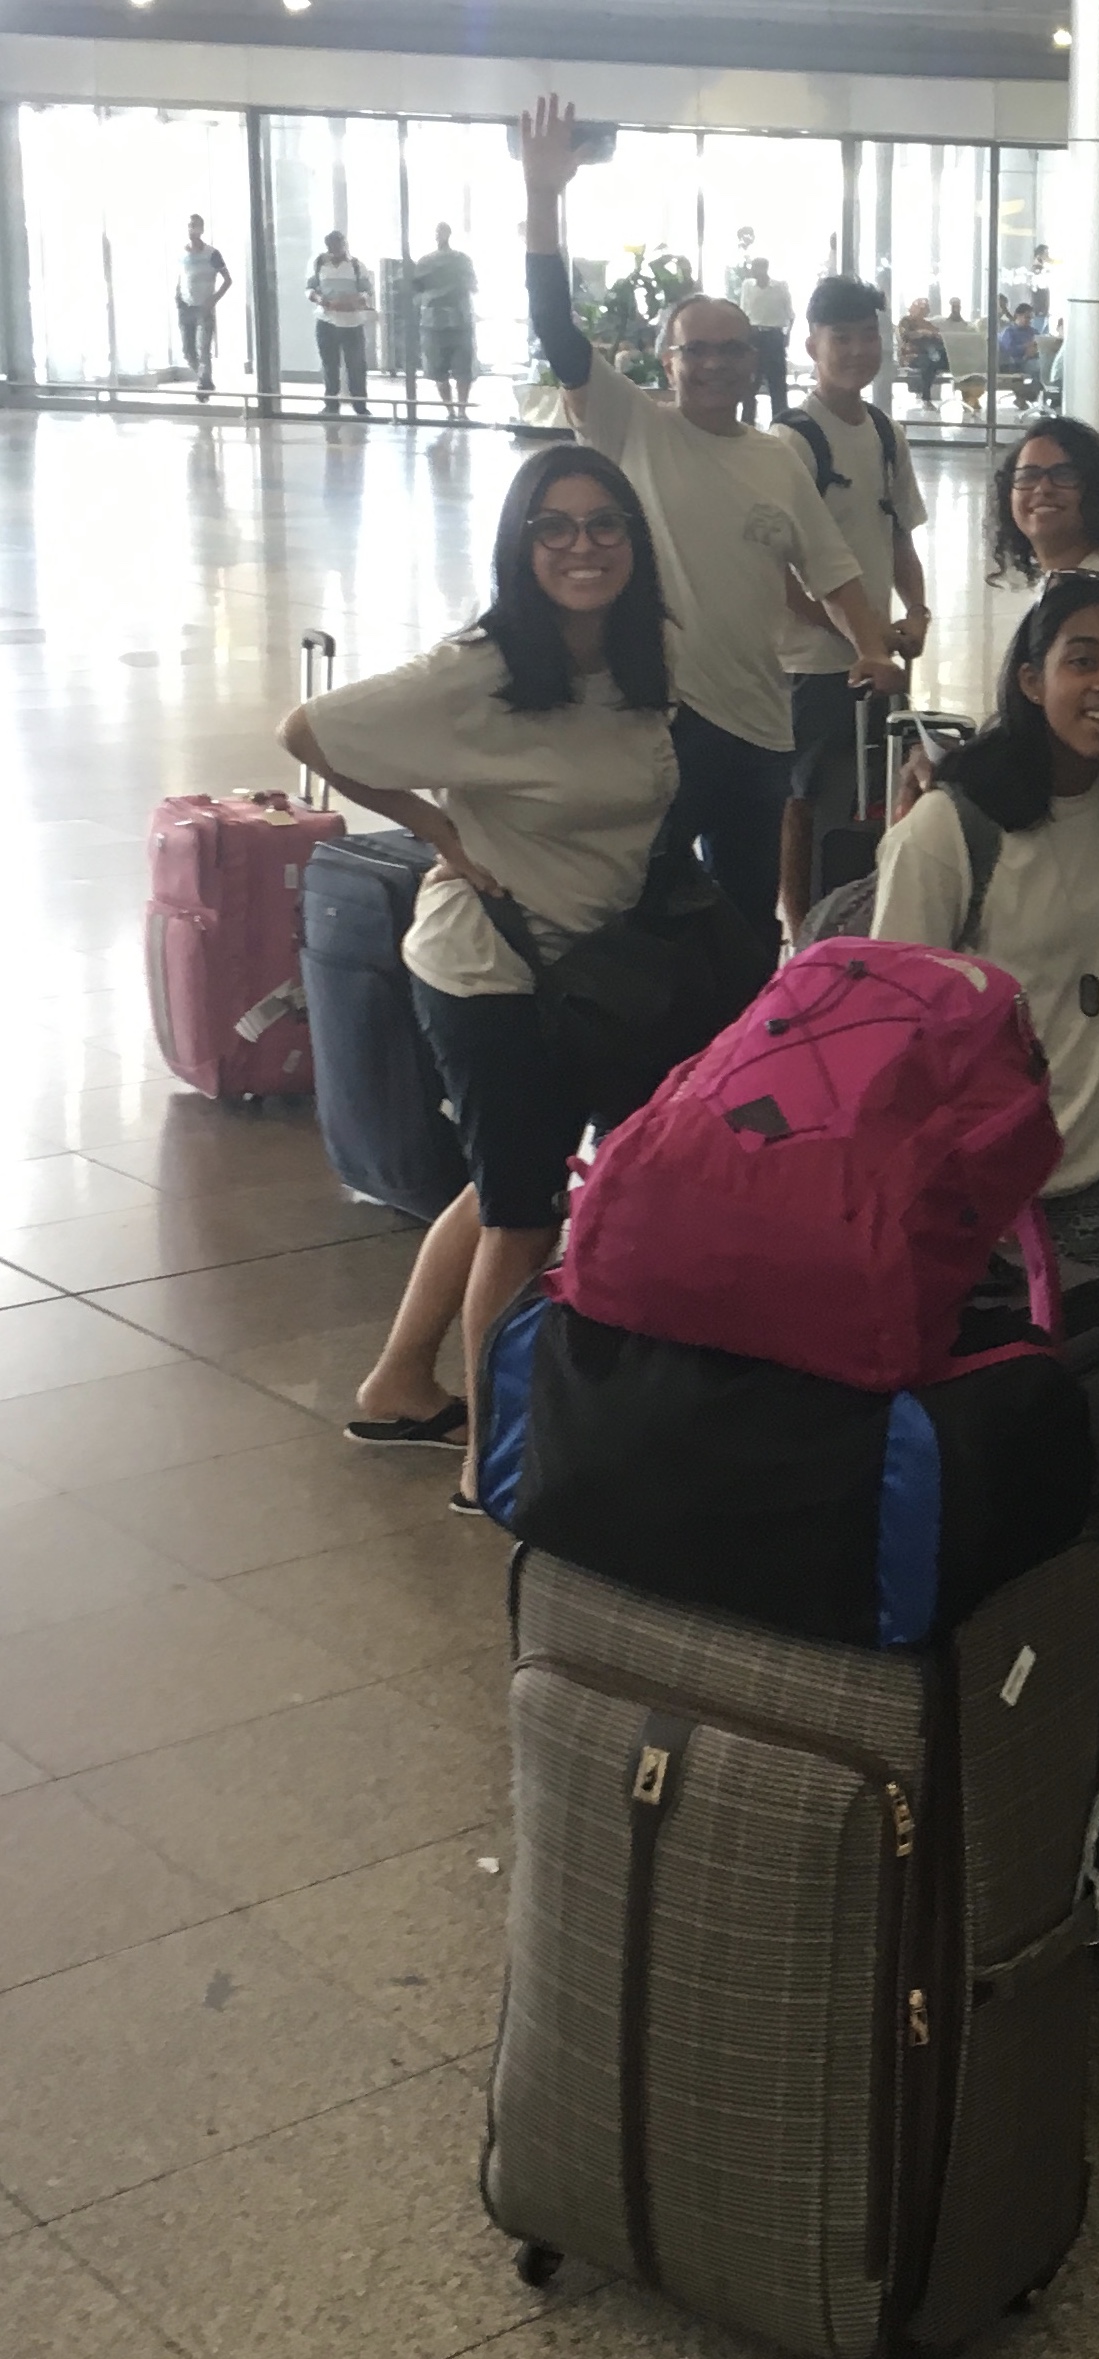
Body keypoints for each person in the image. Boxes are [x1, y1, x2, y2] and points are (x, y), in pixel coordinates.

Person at [286, 446, 679, 1506]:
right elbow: (308, 730)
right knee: (524, 1214)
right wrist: (437, 830)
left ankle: (398, 1384)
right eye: (554, 526)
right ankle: (492, 1465)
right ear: (520, 546)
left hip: (574, 967)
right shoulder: (484, 667)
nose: (583, 546)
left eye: (604, 523)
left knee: (509, 1180)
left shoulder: (642, 658)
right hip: (487, 969)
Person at [521, 94, 899, 952]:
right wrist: (544, 197)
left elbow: (833, 568)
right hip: (658, 719)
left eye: (732, 349)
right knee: (638, 906)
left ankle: (734, 1032)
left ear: (754, 360)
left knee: (743, 921)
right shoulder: (632, 425)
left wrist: (873, 648)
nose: (716, 364)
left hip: (760, 725)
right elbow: (555, 327)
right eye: (697, 349)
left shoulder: (776, 458)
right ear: (669, 360)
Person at [872, 573, 1099, 1266]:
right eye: (1083, 660)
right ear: (1032, 680)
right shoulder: (949, 832)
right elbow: (888, 1037)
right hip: (1004, 1199)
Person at [775, 275, 932, 939]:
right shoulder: (791, 442)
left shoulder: (885, 434)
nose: (858, 350)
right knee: (802, 797)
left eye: (869, 336)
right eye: (842, 337)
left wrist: (916, 612)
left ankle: (864, 917)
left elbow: (898, 536)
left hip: (876, 658)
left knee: (882, 783)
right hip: (811, 662)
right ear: (812, 344)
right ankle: (798, 931)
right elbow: (781, 575)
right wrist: (857, 635)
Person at [986, 415, 1099, 586]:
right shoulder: (1053, 585)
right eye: (1028, 476)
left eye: (1063, 475)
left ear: (1097, 490)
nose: (1043, 488)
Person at [408, 223, 479, 420]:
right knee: (438, 371)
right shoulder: (425, 262)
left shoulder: (462, 260)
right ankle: (451, 410)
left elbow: (473, 285)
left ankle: (461, 409)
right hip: (434, 323)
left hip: (459, 322)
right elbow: (416, 292)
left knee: (462, 369)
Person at [308, 232, 375, 417]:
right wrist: (320, 300)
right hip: (327, 321)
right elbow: (310, 288)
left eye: (338, 245)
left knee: (356, 365)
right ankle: (331, 404)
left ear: (344, 245)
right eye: (331, 246)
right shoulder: (319, 264)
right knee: (329, 365)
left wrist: (355, 300)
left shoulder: (356, 266)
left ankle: (360, 405)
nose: (335, 249)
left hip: (352, 322)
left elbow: (367, 291)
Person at [176, 214, 232, 400]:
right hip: (186, 306)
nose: (192, 230)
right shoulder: (182, 254)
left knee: (203, 349)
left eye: (195, 226)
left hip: (204, 307)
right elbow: (182, 278)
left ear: (202, 229)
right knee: (188, 351)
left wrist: (214, 299)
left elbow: (227, 279)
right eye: (189, 226)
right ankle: (205, 380)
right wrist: (178, 298)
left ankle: (203, 387)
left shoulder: (211, 254)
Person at [737, 259, 797, 421]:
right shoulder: (747, 286)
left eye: (757, 268)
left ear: (765, 269)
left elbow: (791, 315)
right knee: (750, 382)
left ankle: (781, 421)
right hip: (754, 336)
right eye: (752, 268)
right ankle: (747, 422)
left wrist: (787, 336)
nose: (753, 271)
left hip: (774, 337)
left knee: (777, 382)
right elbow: (743, 312)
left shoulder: (779, 287)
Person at [900, 298, 948, 407]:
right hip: (911, 355)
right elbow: (905, 335)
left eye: (925, 309)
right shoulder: (906, 321)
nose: (922, 312)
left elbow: (938, 335)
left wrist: (936, 335)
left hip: (931, 354)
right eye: (920, 309)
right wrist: (921, 333)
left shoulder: (927, 323)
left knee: (946, 359)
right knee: (928, 363)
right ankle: (926, 397)